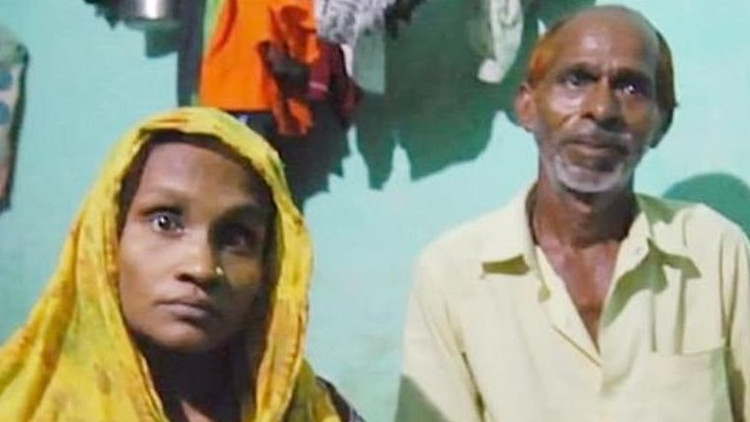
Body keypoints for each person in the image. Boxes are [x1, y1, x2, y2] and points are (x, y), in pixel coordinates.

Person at [397, 5, 749, 422]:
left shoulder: (714, 253)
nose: (601, 109)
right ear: (527, 106)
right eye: (576, 80)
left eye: (631, 87)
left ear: (662, 122)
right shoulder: (452, 274)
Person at [0, 107, 362, 421]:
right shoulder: (20, 404)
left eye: (237, 238)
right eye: (165, 222)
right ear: (106, 238)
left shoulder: (320, 411)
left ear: (270, 266)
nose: (201, 268)